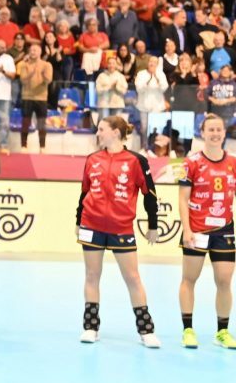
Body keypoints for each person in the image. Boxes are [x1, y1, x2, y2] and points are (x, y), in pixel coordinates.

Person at [76, 116, 162, 347]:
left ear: (115, 132)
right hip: (91, 225)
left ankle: (146, 331)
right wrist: (78, 221)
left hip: (121, 228)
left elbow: (150, 195)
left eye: (101, 129)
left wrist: (153, 224)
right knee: (92, 276)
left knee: (133, 278)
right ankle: (90, 327)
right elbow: (84, 192)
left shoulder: (137, 161)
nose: (98, 132)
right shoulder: (92, 159)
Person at [177, 114, 236, 349]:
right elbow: (183, 199)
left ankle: (222, 332)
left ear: (224, 133)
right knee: (189, 279)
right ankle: (188, 330)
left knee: (224, 280)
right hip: (197, 229)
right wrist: (187, 230)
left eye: (218, 129)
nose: (215, 133)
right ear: (203, 133)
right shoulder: (191, 162)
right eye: (210, 129)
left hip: (224, 230)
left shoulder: (233, 162)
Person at [18, 43, 52, 152]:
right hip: (27, 97)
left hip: (41, 98)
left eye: (35, 50)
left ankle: (42, 147)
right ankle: (24, 146)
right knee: (25, 122)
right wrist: (31, 73)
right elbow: (23, 80)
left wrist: (42, 75)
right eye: (31, 50)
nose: (33, 52)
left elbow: (48, 80)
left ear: (40, 52)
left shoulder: (47, 65)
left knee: (42, 124)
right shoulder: (24, 64)